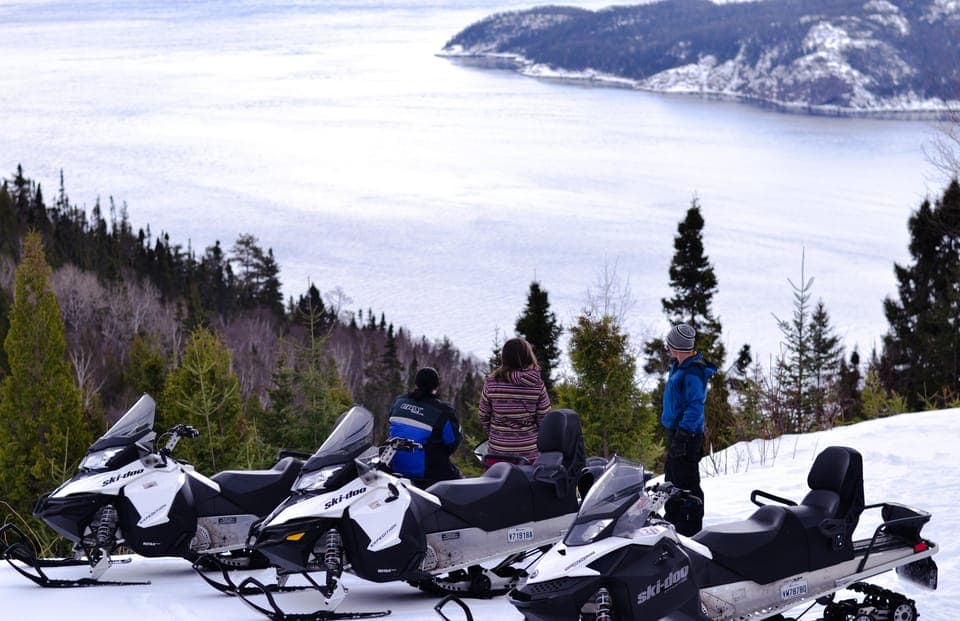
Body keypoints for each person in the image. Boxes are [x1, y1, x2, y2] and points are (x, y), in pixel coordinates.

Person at [661, 323, 716, 536]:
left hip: (687, 434)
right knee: (672, 478)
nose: (667, 348)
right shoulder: (679, 366)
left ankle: (691, 526)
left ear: (675, 347)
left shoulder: (693, 372)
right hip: (676, 431)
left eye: (669, 345)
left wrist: (683, 436)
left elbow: (695, 406)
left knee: (687, 481)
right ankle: (674, 518)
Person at [479, 337, 551, 466]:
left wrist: (496, 434)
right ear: (528, 356)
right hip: (528, 454)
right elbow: (544, 420)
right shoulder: (537, 384)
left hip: (497, 452)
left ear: (505, 357)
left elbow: (483, 415)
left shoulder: (491, 382)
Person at [387, 367, 462, 488]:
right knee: (458, 486)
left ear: (416, 383)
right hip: (426, 473)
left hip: (394, 464)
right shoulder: (442, 411)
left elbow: (393, 426)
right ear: (436, 386)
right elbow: (453, 442)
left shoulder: (399, 402)